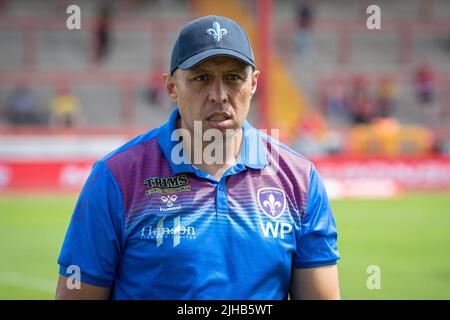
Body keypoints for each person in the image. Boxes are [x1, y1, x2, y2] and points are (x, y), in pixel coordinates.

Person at [55, 15, 340, 300]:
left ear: (253, 83)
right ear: (171, 87)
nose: (219, 95)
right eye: (201, 78)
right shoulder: (117, 177)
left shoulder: (299, 179)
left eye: (233, 78)